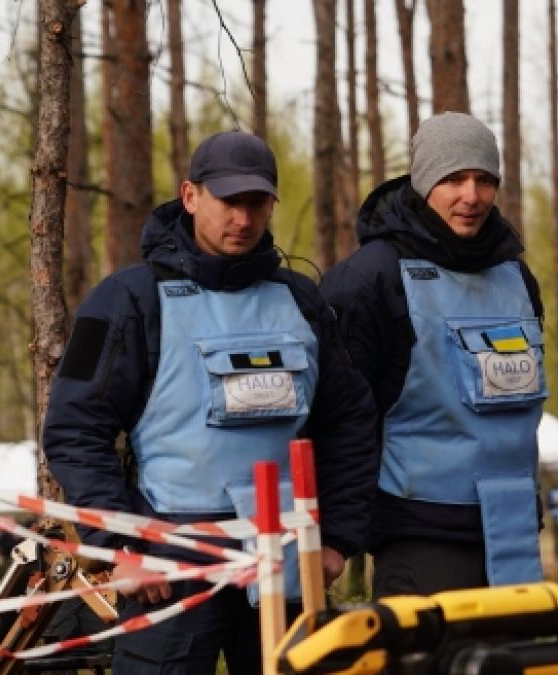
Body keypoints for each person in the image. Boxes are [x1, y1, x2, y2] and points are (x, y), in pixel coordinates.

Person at [42, 130, 379, 674]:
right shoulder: (127, 300)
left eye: (257, 204)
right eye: (229, 202)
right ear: (191, 195)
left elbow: (349, 423)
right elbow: (74, 430)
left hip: (286, 562)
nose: (243, 220)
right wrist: (122, 547)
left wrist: (337, 537)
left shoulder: (301, 300)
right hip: (169, 567)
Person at [321, 112, 547, 597]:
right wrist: (335, 533)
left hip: (514, 530)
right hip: (420, 533)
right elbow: (339, 421)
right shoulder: (369, 280)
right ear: (424, 182)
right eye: (454, 179)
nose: (472, 196)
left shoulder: (516, 277)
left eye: (485, 180)